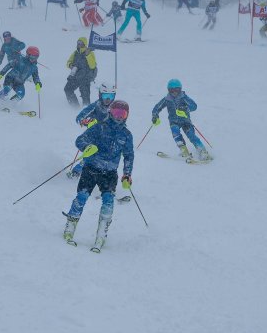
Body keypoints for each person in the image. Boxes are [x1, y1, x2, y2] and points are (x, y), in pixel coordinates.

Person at [62, 99, 134, 251]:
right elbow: (80, 140)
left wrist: (127, 174)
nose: (119, 117)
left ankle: (102, 234)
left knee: (108, 201)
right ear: (110, 112)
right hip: (91, 169)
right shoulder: (99, 127)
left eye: (122, 114)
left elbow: (129, 155)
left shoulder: (126, 135)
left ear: (127, 116)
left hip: (109, 173)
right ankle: (70, 227)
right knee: (81, 197)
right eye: (116, 113)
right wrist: (87, 147)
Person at [151, 79, 210, 161]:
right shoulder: (167, 99)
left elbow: (194, 106)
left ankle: (202, 151)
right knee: (176, 134)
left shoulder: (184, 97)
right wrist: (155, 116)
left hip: (185, 121)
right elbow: (157, 107)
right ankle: (184, 151)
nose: (174, 92)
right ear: (168, 90)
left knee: (191, 135)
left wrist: (185, 109)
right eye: (172, 90)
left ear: (180, 89)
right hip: (174, 121)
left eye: (177, 90)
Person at [69, 83, 117, 178]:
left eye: (111, 96)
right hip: (95, 134)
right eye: (105, 95)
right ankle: (78, 170)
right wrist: (86, 122)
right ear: (100, 95)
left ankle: (103, 176)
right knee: (92, 153)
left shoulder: (115, 108)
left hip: (109, 137)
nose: (108, 99)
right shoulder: (96, 105)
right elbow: (80, 117)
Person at [64, 37, 98, 107]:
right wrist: (70, 65)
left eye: (81, 43)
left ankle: (86, 112)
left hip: (85, 77)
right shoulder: (75, 53)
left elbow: (93, 66)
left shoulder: (90, 52)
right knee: (67, 89)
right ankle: (75, 107)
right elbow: (69, 62)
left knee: (85, 97)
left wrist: (87, 55)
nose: (79, 44)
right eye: (78, 43)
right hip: (76, 76)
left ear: (84, 44)